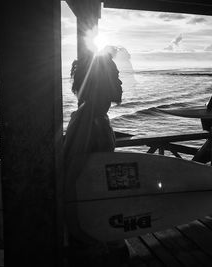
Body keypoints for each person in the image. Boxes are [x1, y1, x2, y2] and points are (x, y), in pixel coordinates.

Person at [63, 47, 128, 266]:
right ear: (101, 82)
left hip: (99, 219)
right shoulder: (87, 120)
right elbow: (69, 180)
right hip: (87, 230)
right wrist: (82, 233)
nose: (120, 83)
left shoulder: (98, 116)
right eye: (116, 77)